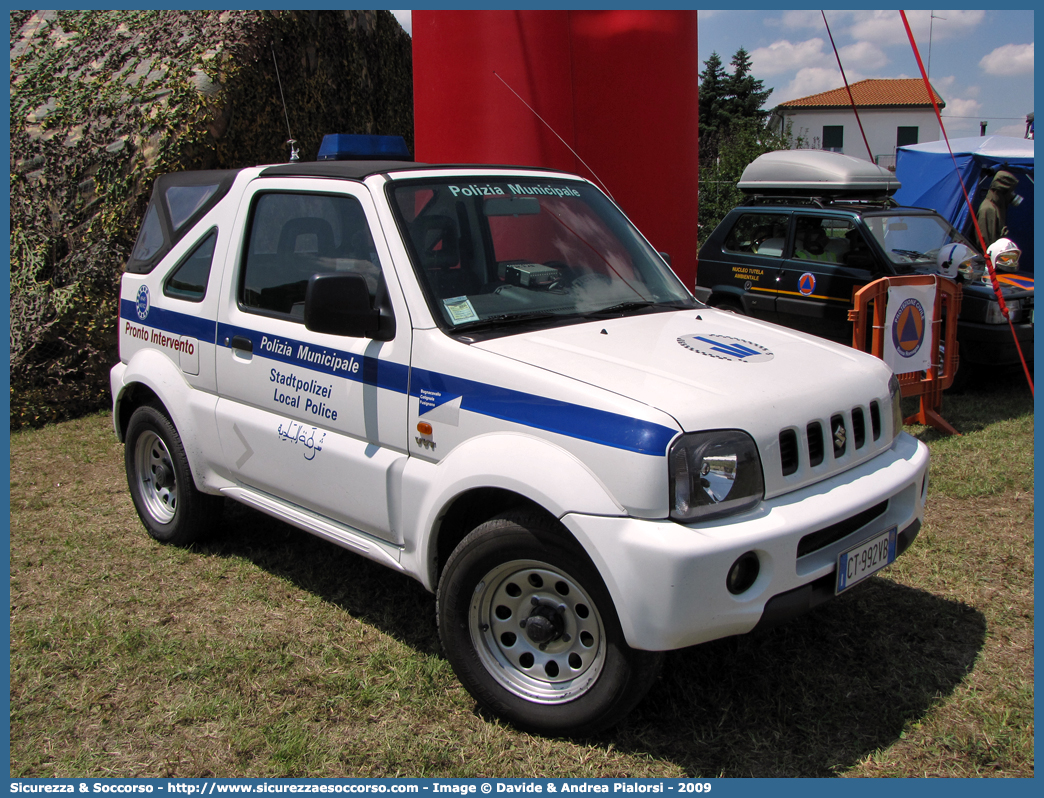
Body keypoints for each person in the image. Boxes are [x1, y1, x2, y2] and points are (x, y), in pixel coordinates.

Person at [976, 171, 1020, 248]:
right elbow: (985, 244)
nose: (1012, 195)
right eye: (1010, 192)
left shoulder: (996, 208)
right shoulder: (988, 210)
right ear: (1001, 192)